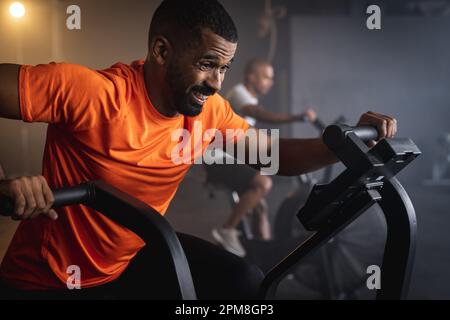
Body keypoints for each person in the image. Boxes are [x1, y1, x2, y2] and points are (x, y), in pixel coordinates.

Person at [0, 0, 397, 300]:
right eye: (208, 64)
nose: (216, 83)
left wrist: (345, 143)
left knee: (245, 285)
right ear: (161, 50)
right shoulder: (93, 94)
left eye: (224, 68)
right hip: (47, 279)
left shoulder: (209, 113)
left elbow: (276, 156)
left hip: (131, 259)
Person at [209, 59, 317, 257]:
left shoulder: (248, 97)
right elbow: (258, 113)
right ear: (252, 77)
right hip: (217, 159)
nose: (271, 82)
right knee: (263, 184)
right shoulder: (239, 93)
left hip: (231, 157)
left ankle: (272, 258)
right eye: (267, 77)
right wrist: (297, 117)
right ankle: (226, 230)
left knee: (260, 208)